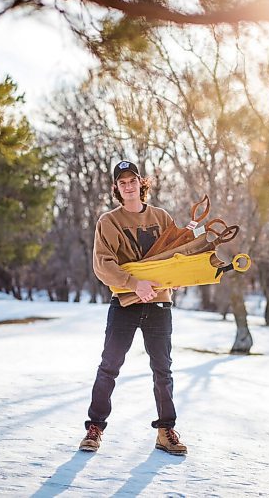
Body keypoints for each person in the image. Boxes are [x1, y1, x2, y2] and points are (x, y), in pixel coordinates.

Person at [79, 160, 187, 456]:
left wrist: (175, 279)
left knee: (162, 369)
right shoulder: (109, 221)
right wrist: (133, 282)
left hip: (159, 305)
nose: (128, 186)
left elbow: (175, 255)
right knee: (109, 367)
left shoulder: (161, 217)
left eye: (132, 180)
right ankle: (95, 427)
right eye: (122, 182)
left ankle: (166, 431)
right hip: (124, 304)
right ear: (116, 187)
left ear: (142, 182)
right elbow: (103, 265)